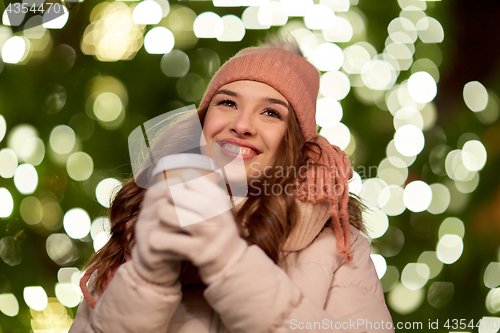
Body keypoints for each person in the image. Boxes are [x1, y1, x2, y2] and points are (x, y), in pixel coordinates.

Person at [69, 37, 394, 333]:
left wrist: (232, 264)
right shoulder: (139, 225)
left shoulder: (338, 248)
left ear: (295, 141)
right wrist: (146, 278)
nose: (241, 125)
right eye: (227, 103)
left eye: (270, 112)